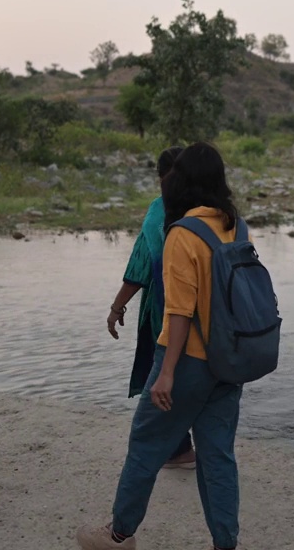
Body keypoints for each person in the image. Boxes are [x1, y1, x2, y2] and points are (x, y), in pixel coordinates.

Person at [77, 142, 247, 550]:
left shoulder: (181, 233)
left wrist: (166, 372)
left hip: (187, 359)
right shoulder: (235, 224)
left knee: (145, 443)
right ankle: (226, 544)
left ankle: (119, 535)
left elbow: (179, 312)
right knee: (217, 456)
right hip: (229, 358)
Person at [106, 146, 196, 470]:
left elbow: (140, 266)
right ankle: (187, 447)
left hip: (166, 314)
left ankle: (176, 449)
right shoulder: (206, 211)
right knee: (191, 375)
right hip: (205, 316)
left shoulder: (159, 210)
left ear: (160, 178)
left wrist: (117, 308)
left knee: (163, 377)